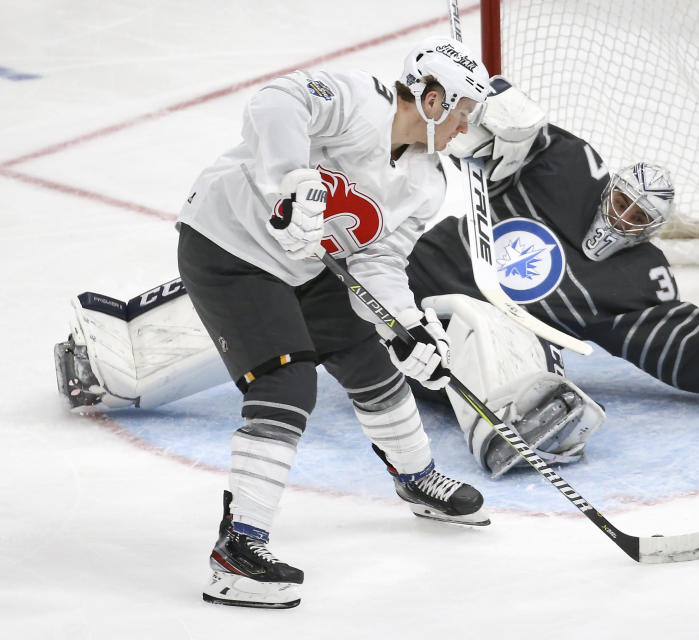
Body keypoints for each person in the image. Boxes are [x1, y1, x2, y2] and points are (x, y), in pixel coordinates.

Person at [55, 79, 699, 481]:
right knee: (274, 294)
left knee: (492, 330)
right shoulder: (566, 167)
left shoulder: (635, 281)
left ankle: (519, 412)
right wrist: (497, 117)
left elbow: (666, 342)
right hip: (390, 262)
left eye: (636, 215)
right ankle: (117, 355)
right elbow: (491, 131)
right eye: (618, 198)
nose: (617, 216)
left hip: (439, 326)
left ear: (653, 231)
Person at [118, 35, 493, 610]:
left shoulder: (429, 181)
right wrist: (289, 181)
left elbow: (378, 262)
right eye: (464, 108)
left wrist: (408, 328)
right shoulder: (358, 102)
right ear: (433, 99)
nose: (467, 123)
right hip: (229, 246)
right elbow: (275, 103)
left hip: (306, 263)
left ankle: (416, 478)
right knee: (286, 382)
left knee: (371, 361)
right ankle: (236, 552)